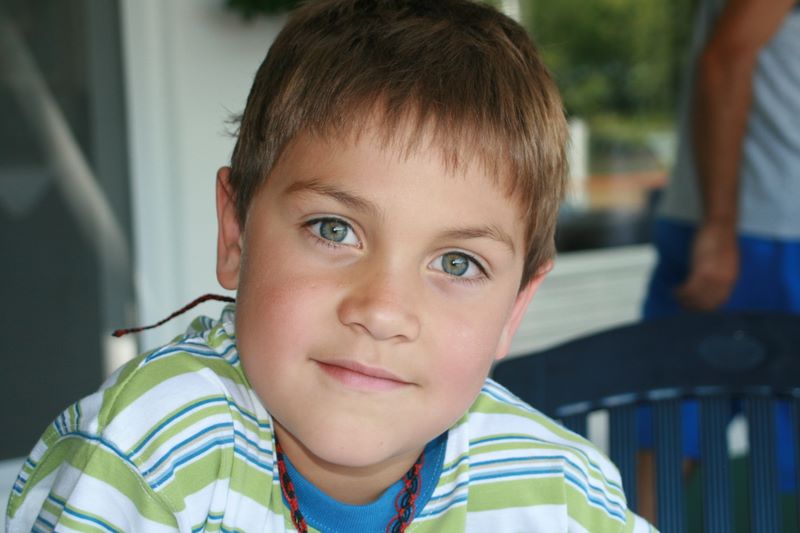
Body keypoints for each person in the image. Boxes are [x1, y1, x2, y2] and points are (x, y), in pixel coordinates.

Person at [6, 1, 653, 531]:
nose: (382, 311)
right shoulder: (146, 455)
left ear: (515, 308)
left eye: (457, 263)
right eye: (334, 229)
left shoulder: (561, 495)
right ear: (236, 233)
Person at [641, 0, 800, 516]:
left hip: (744, 226)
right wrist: (720, 225)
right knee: (667, 432)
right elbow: (725, 59)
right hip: (757, 231)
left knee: (667, 431)